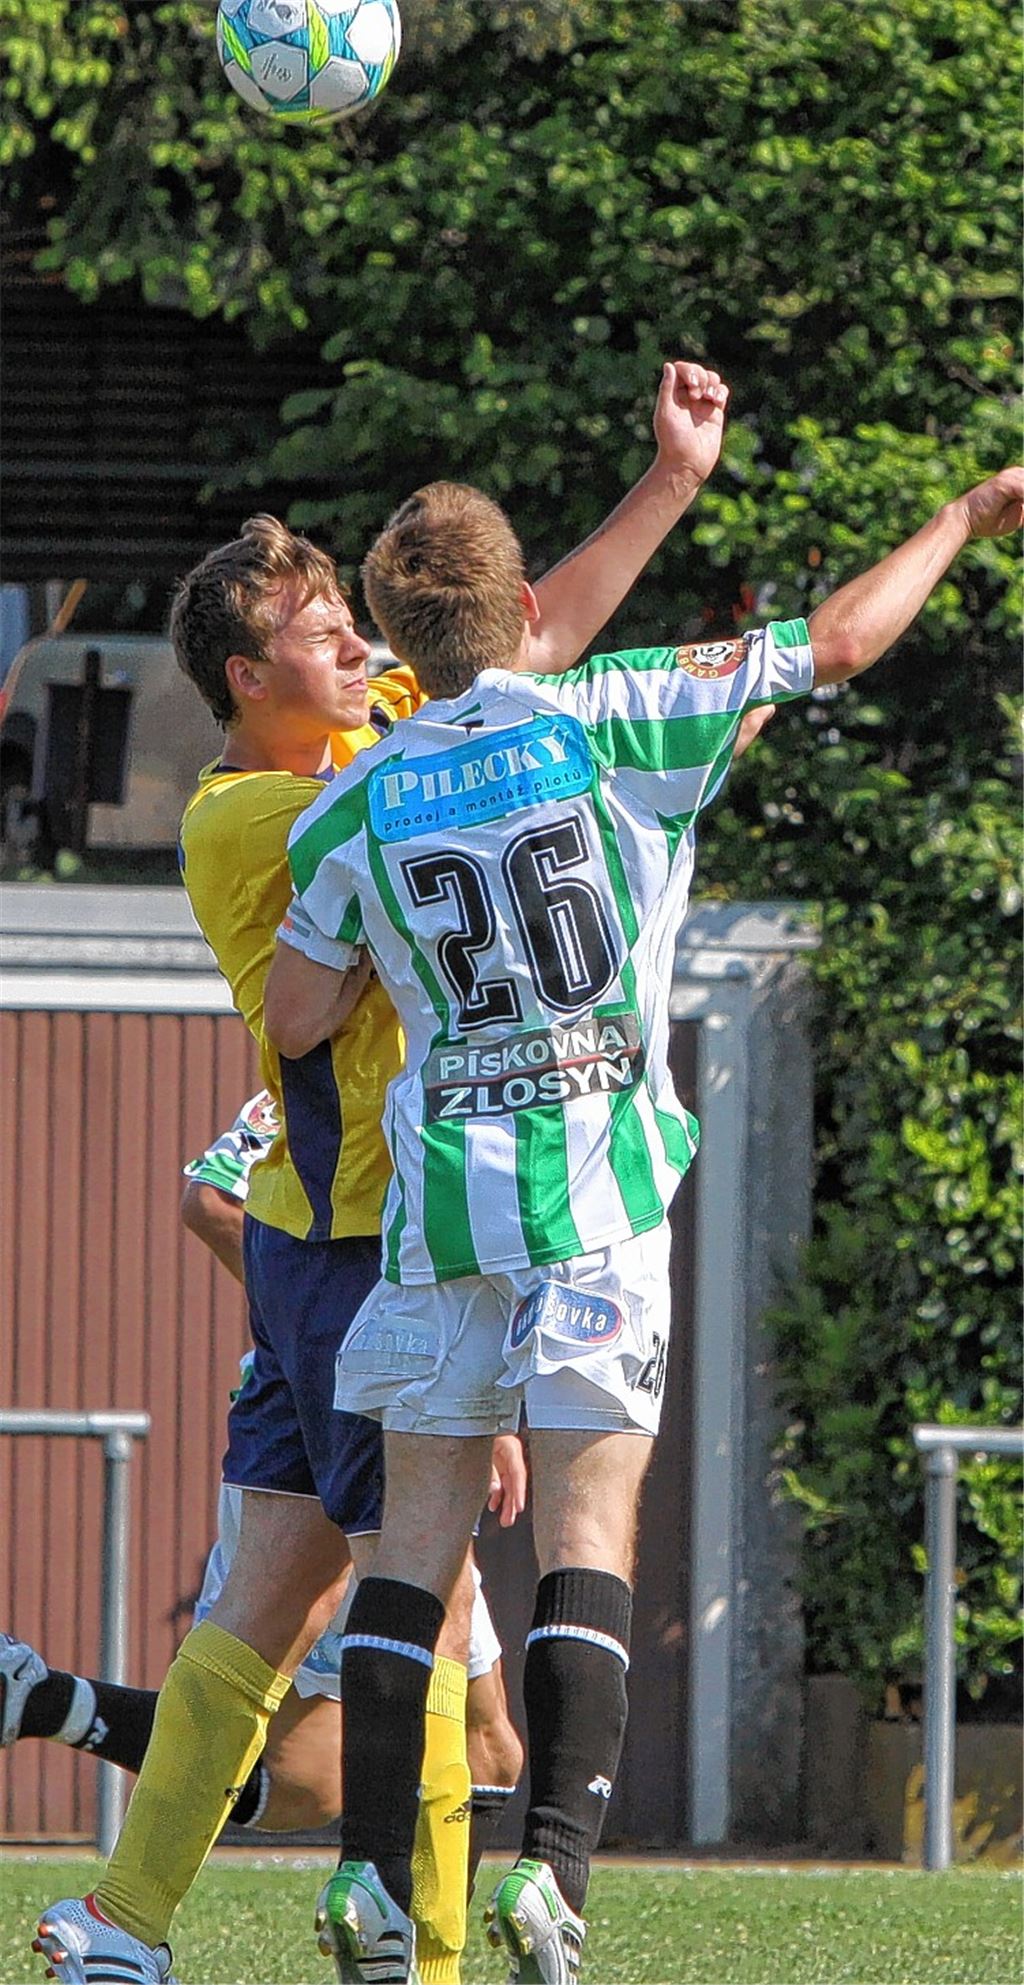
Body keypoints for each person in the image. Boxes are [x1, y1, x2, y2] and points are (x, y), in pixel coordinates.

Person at [262, 464, 1024, 1984]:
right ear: (530, 607)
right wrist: (958, 518)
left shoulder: (356, 788)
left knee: (410, 1551)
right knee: (584, 1534)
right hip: (597, 1202)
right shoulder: (615, 712)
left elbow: (295, 1010)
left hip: (443, 1220)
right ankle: (547, 1877)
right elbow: (838, 647)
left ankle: (364, 1885)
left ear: (406, 641)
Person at [33, 357, 734, 1985]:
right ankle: (417, 1956)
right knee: (418, 1611)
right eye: (319, 636)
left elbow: (526, 633)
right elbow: (499, 708)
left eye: (361, 621)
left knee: (265, 1604)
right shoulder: (253, 813)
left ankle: (122, 1924)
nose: (356, 645)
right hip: (373, 1245)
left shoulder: (393, 735)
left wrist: (667, 487)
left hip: (348, 1225)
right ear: (239, 674)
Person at [4, 1097, 523, 1852]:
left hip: (334, 1419)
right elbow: (212, 1201)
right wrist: (355, 1354)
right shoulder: (363, 1062)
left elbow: (212, 1200)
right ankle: (421, 1945)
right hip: (385, 1417)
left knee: (302, 1779)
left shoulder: (406, 1039)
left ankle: (54, 1704)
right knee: (478, 1731)